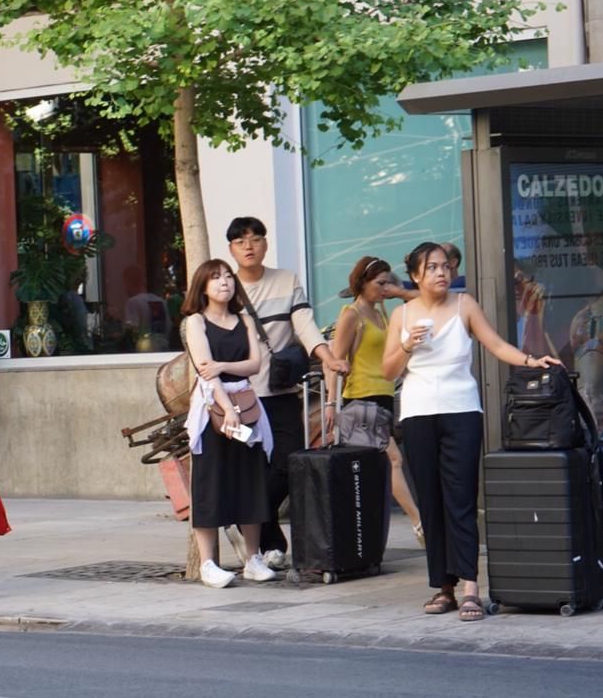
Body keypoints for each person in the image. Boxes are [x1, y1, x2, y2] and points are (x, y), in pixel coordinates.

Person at [382, 242, 563, 622]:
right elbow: (388, 371)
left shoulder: (465, 305)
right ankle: (442, 587)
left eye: (445, 266)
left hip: (461, 409)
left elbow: (496, 345)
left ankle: (469, 586)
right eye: (431, 268)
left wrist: (532, 360)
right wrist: (406, 345)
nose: (441, 273)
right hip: (417, 413)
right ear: (415, 275)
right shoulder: (402, 314)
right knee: (429, 501)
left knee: (460, 498)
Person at [225, 216, 347, 568]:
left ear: (265, 243)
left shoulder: (287, 280)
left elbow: (305, 326)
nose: (249, 246)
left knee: (289, 466)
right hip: (241, 397)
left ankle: (246, 521)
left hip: (279, 392)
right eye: (240, 241)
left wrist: (328, 356)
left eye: (255, 238)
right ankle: (271, 542)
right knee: (252, 468)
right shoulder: (225, 286)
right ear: (231, 248)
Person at [180, 261, 273, 588]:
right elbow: (205, 371)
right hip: (211, 408)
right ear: (202, 286)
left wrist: (222, 366)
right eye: (216, 277)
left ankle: (252, 558)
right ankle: (208, 563)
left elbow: (254, 363)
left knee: (250, 479)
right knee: (209, 483)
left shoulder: (244, 319)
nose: (225, 282)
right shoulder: (195, 322)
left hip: (246, 404)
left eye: (228, 276)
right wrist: (225, 407)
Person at [323, 258, 423, 546]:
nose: (385, 289)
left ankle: (366, 536)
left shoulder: (381, 312)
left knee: (374, 470)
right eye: (379, 283)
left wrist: (398, 292)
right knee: (394, 459)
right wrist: (330, 404)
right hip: (360, 398)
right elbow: (336, 361)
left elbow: (425, 299)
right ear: (362, 283)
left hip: (383, 394)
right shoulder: (351, 314)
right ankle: (418, 523)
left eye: (388, 282)